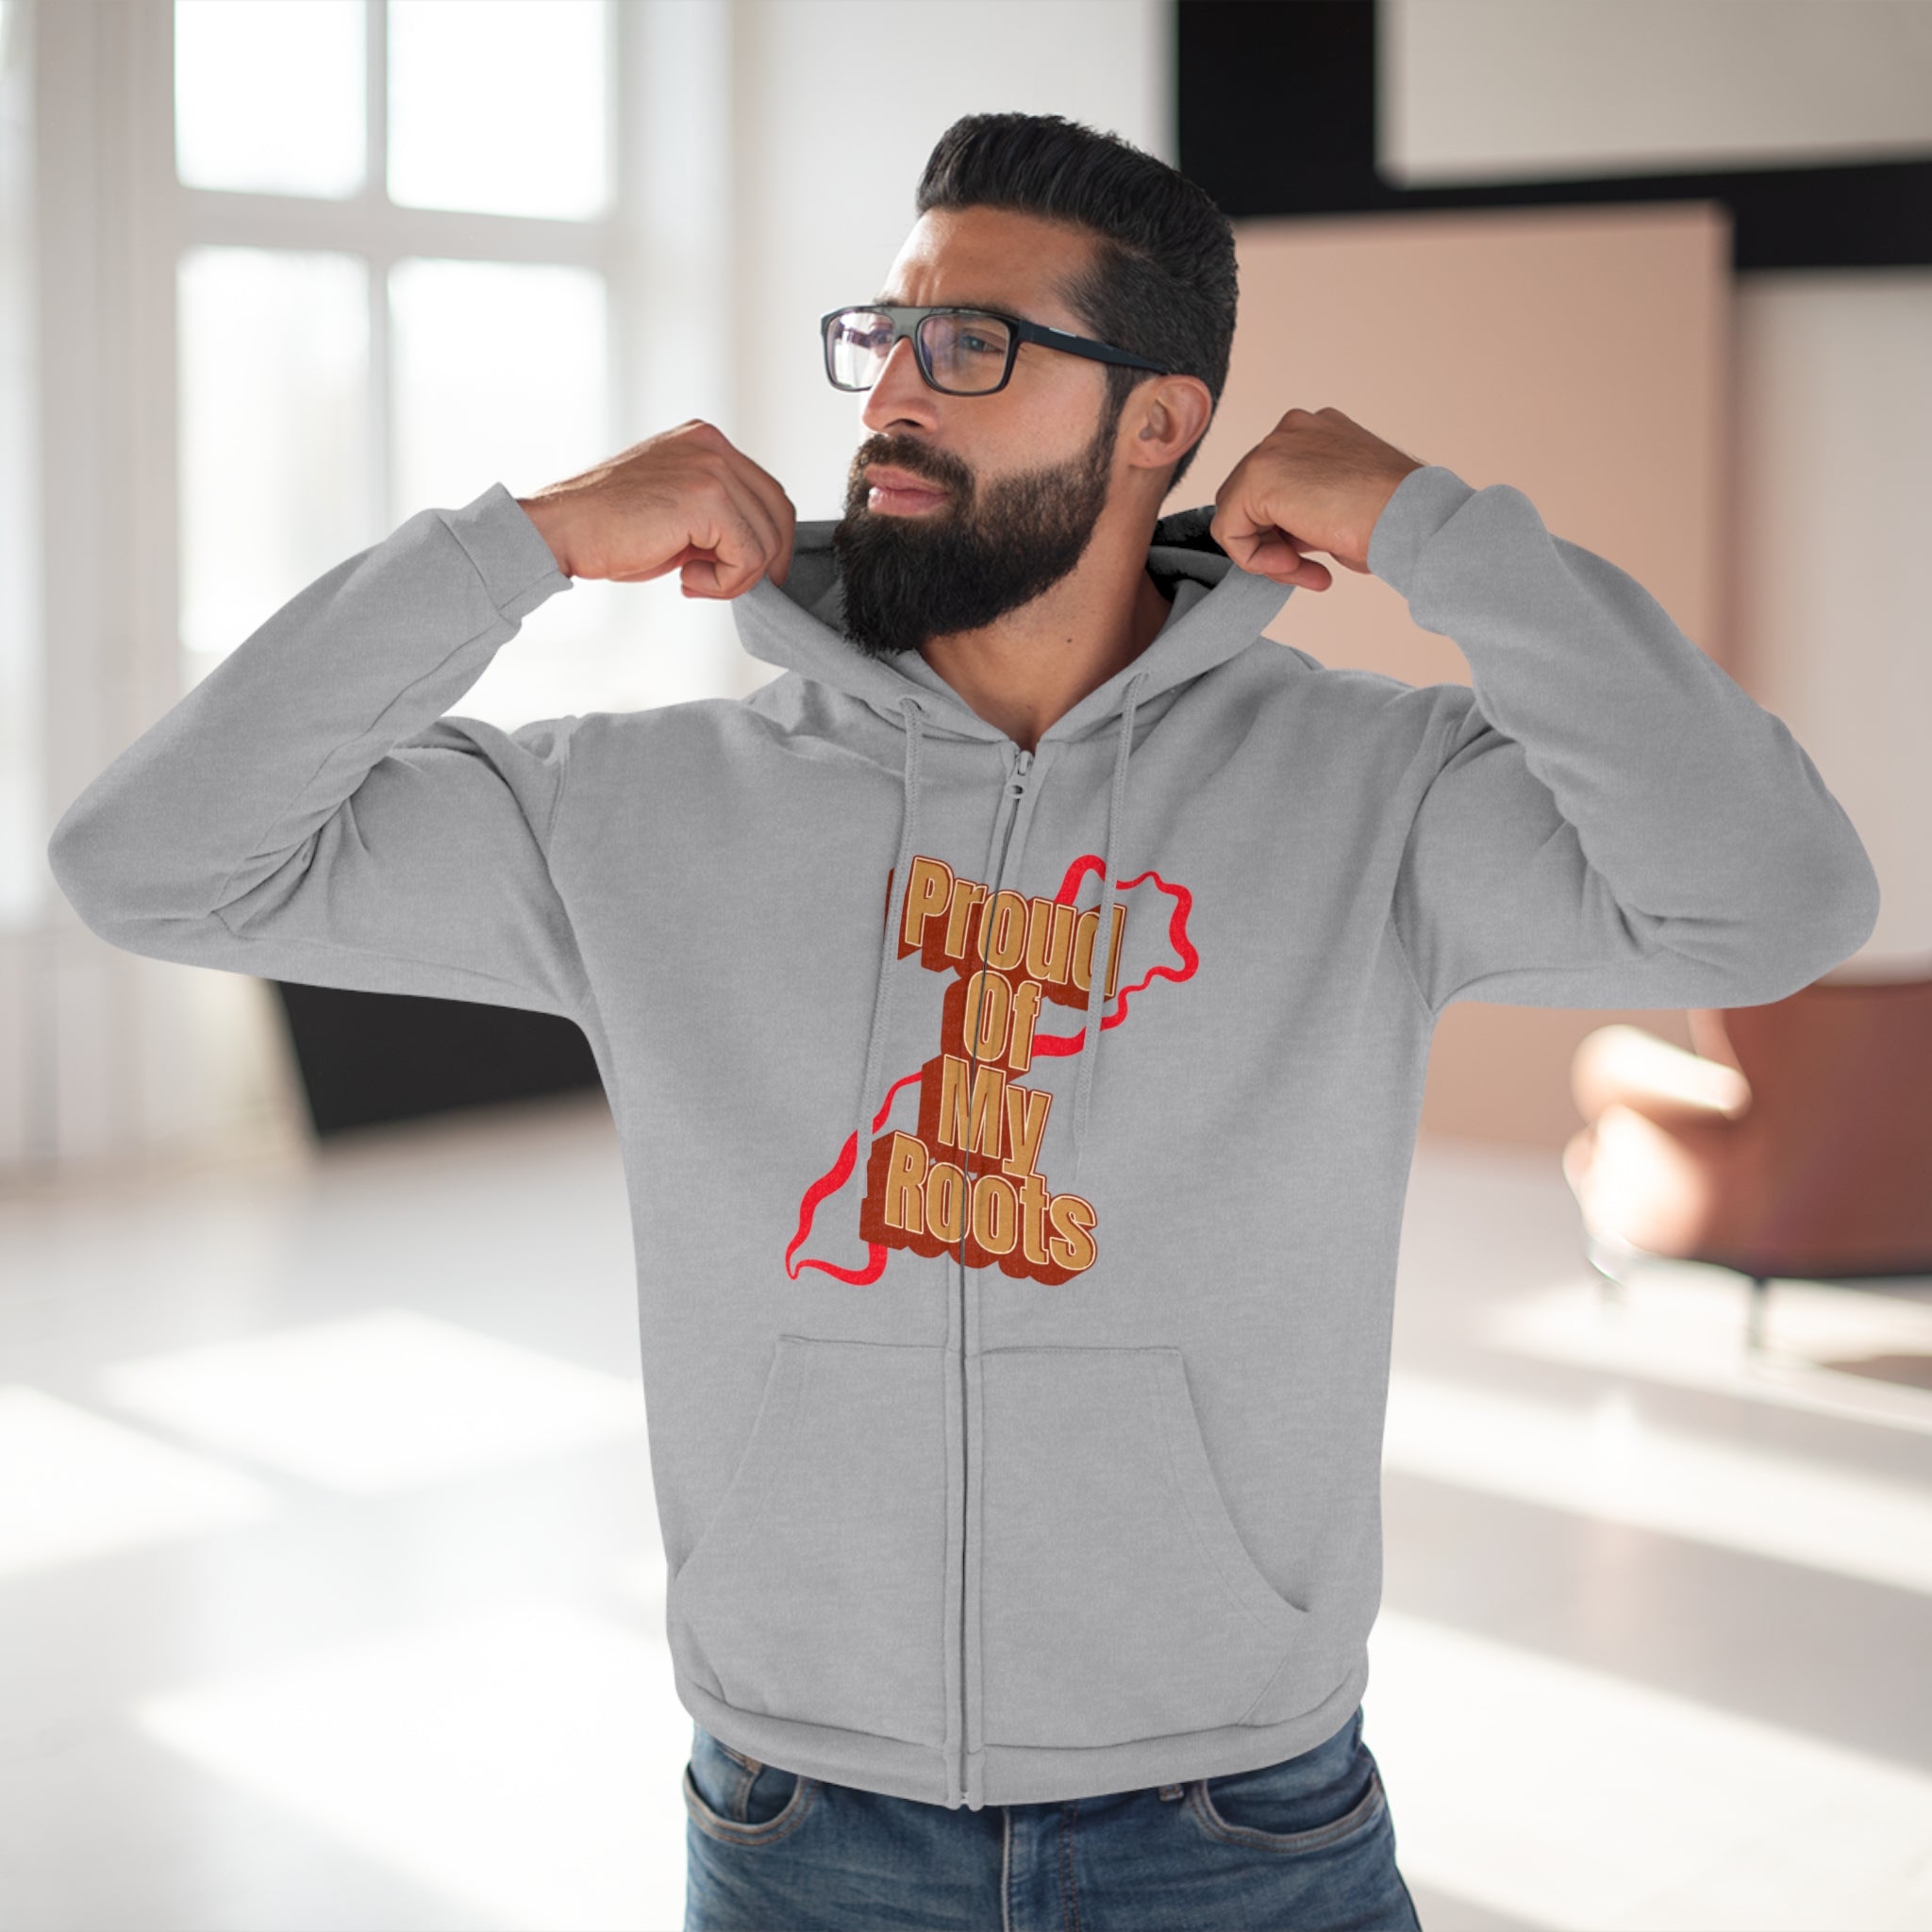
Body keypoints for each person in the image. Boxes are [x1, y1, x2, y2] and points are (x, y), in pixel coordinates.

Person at [47, 110, 1877, 1932]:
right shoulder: (636, 809)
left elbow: (1776, 895)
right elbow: (150, 864)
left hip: (1238, 1823)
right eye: (888, 334)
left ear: (1155, 423)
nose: (894, 394)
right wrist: (520, 546)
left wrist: (1434, 532)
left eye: (971, 344)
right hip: (799, 1825)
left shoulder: (1370, 796)